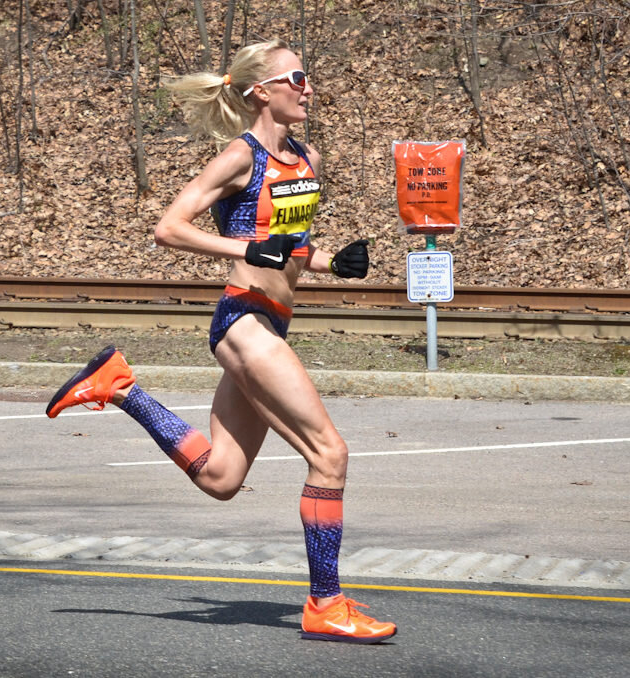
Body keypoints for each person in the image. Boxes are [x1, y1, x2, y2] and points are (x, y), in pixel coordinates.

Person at [46, 39, 395, 644]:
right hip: (244, 321)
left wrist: (330, 263)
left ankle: (121, 388)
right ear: (263, 90)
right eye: (297, 77)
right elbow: (170, 228)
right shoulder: (241, 155)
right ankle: (326, 603)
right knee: (329, 456)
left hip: (274, 320)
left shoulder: (304, 156)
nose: (308, 86)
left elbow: (282, 241)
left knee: (221, 478)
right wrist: (245, 251)